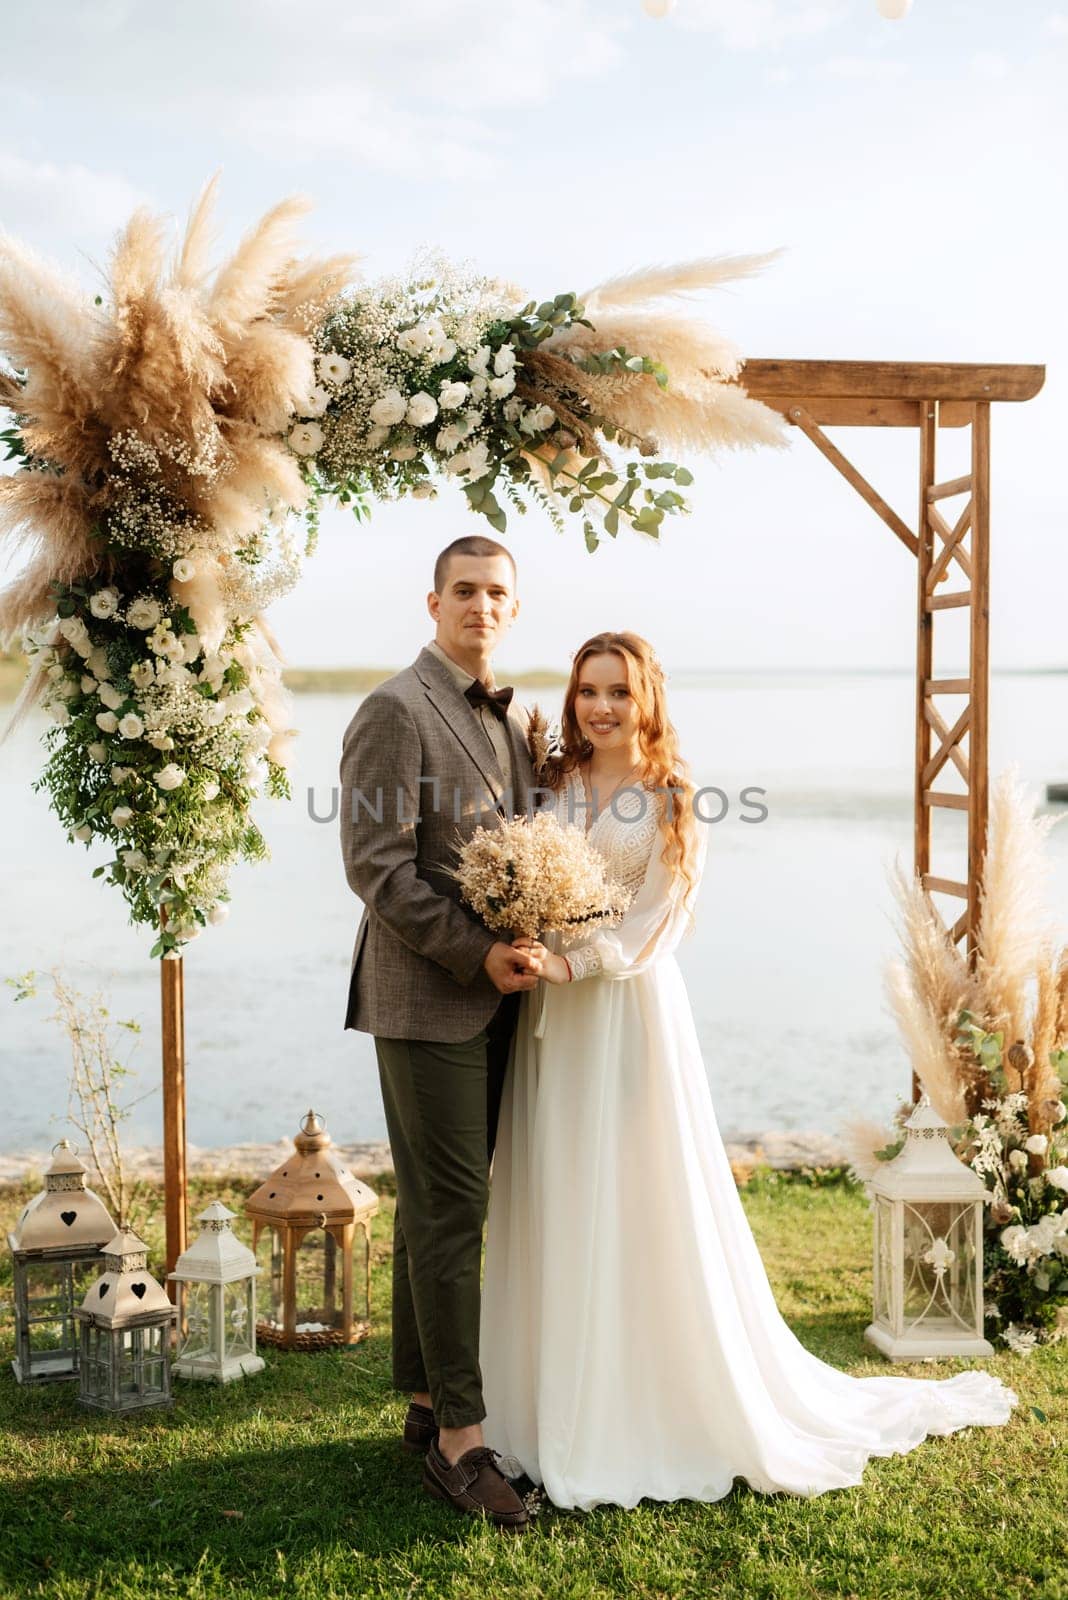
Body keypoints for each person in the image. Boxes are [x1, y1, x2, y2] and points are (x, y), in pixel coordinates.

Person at [480, 629, 1017, 1511]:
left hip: (622, 1011)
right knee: (556, 1188)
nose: (601, 707)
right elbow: (532, 879)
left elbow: (663, 919)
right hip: (551, 1017)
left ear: (647, 698)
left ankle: (640, 1402)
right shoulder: (559, 784)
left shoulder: (669, 796)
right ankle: (539, 1403)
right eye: (587, 691)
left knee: (634, 1193)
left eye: (618, 691)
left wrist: (578, 963)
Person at [340, 535, 542, 1531]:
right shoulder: (392, 708)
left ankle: (423, 1402)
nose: (481, 606)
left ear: (514, 606)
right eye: (465, 590)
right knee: (454, 1211)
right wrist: (476, 952)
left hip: (507, 995)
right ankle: (464, 1442)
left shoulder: (518, 721)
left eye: (497, 592)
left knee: (438, 1207)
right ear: (433, 602)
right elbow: (378, 867)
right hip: (428, 996)